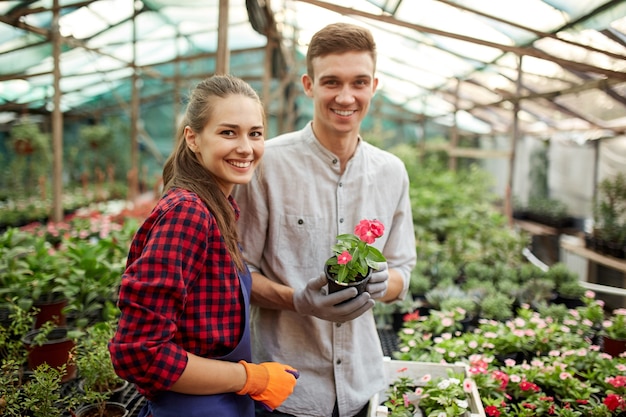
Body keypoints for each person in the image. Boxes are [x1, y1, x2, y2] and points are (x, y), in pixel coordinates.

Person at [233, 23, 417, 417]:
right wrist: (299, 300)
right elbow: (238, 271)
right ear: (309, 84)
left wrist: (386, 282)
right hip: (286, 387)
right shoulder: (268, 164)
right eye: (332, 82)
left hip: (362, 385)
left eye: (359, 82)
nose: (346, 97)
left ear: (374, 85)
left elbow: (403, 267)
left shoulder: (391, 172)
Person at [109, 74, 299, 417]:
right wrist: (251, 377)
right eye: (229, 132)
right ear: (193, 138)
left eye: (255, 133)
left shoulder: (218, 209)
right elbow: (139, 352)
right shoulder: (187, 213)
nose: (246, 147)